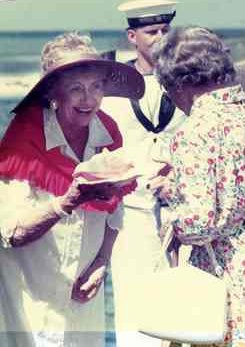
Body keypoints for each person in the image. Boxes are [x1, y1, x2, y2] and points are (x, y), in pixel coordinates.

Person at [151, 26, 245, 347]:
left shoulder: (195, 130)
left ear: (179, 84)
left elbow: (200, 223)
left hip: (233, 272)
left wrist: (171, 221)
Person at [0, 32, 143, 347]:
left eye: (96, 87)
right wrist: (67, 202)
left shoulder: (108, 133)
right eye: (76, 89)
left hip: (82, 294)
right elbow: (11, 233)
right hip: (32, 296)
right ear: (53, 92)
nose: (88, 99)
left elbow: (115, 210)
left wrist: (102, 261)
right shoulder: (24, 138)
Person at [101, 0, 186, 347]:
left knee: (182, 311)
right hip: (130, 215)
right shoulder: (109, 85)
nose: (161, 37)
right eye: (152, 31)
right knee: (133, 312)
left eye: (166, 30)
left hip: (180, 211)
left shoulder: (186, 80)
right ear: (132, 36)